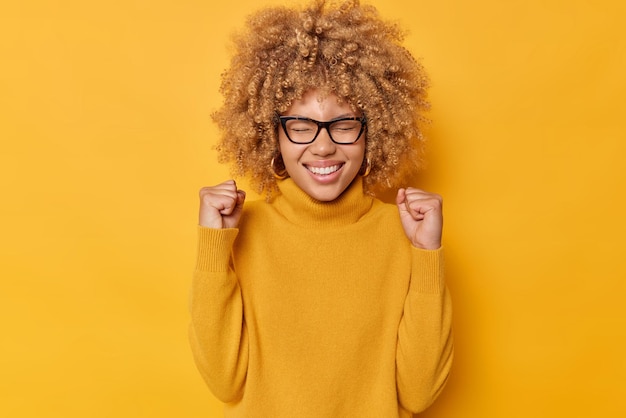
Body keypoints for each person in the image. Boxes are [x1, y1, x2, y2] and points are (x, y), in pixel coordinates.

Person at [189, 0, 453, 416]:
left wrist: (426, 256)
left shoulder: (404, 232)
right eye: (300, 125)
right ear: (270, 132)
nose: (324, 145)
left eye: (345, 124)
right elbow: (224, 382)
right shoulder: (242, 230)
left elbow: (419, 393)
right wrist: (213, 248)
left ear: (376, 129)